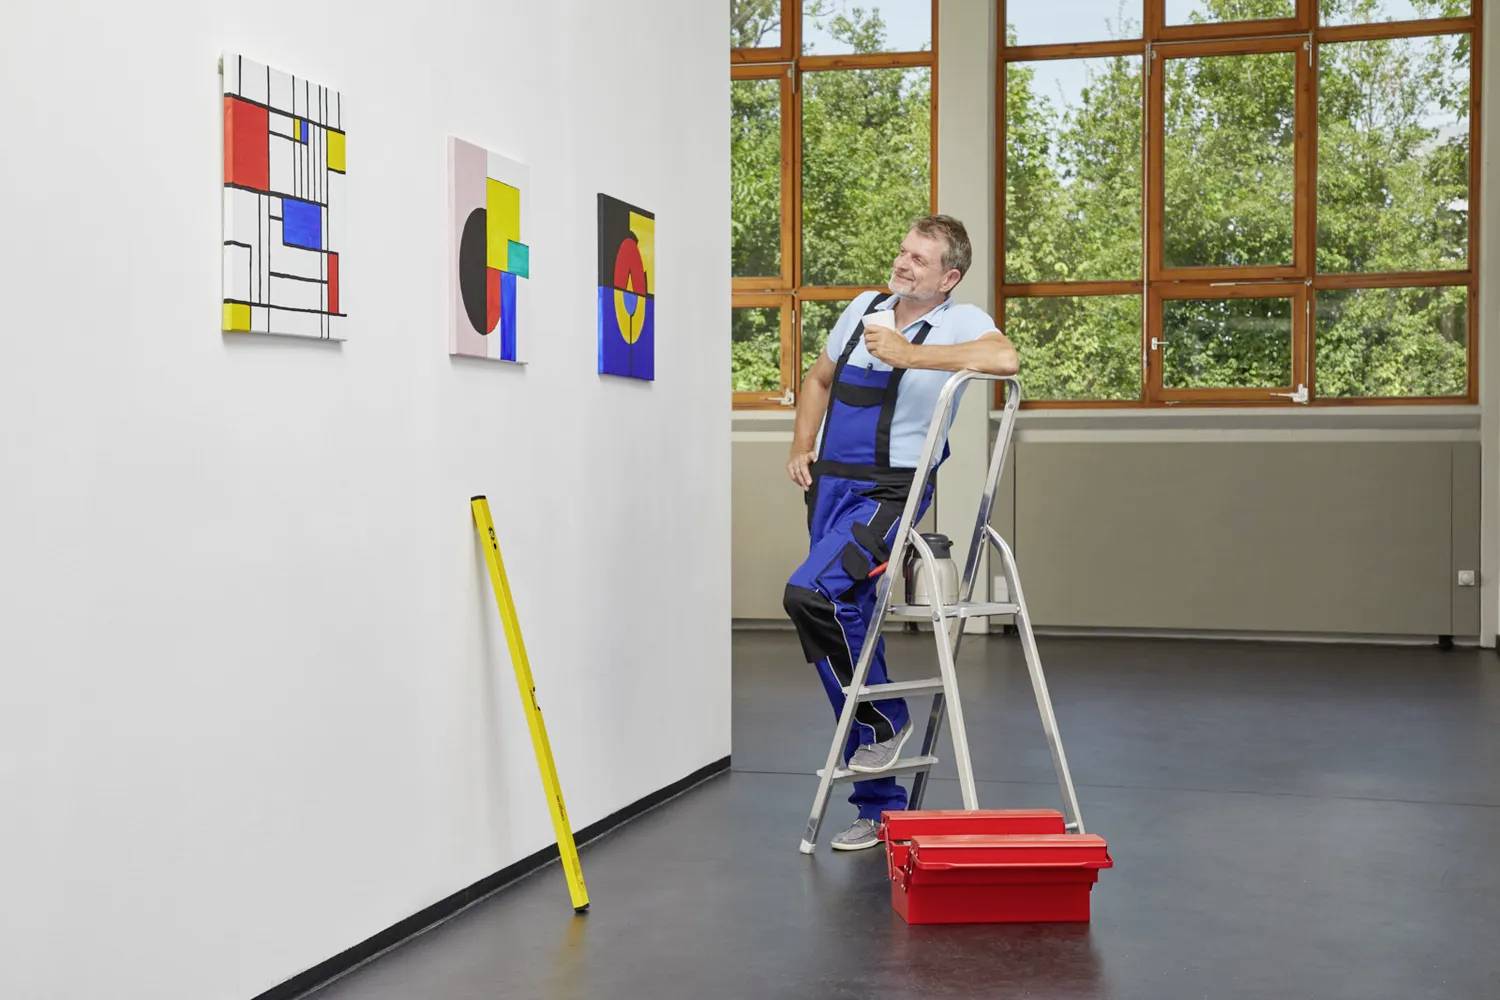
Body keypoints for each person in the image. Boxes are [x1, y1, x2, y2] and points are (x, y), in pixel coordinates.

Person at [781, 214, 1019, 851]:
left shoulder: (959, 321)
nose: (904, 262)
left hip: (891, 493)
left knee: (810, 594)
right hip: (830, 488)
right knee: (845, 619)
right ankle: (880, 808)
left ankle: (888, 719)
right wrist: (802, 444)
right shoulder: (864, 308)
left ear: (949, 276)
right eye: (903, 251)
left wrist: (913, 356)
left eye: (920, 258)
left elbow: (1005, 358)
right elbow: (819, 378)